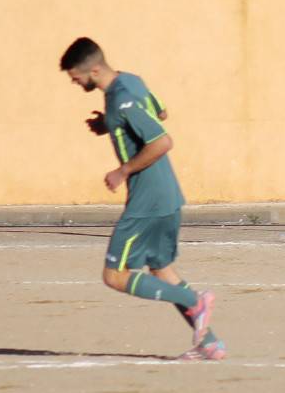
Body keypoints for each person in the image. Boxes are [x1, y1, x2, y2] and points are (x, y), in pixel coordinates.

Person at [60, 37, 226, 360]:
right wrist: (109, 125)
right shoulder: (130, 82)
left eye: (76, 75)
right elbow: (160, 111)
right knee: (161, 268)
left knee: (114, 276)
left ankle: (195, 300)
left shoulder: (121, 100)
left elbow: (162, 141)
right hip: (166, 194)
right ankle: (210, 344)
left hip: (147, 199)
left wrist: (123, 171)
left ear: (94, 69)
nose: (74, 81)